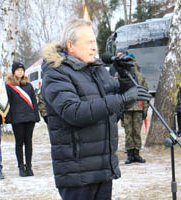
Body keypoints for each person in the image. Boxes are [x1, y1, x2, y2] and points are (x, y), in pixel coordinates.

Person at [40, 18, 151, 200]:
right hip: (77, 172)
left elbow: (112, 108)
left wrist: (125, 75)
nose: (94, 47)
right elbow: (74, 112)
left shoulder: (97, 69)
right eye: (89, 42)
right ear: (71, 45)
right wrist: (122, 99)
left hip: (102, 166)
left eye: (94, 41)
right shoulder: (56, 73)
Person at [5, 61, 40, 177]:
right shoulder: (9, 86)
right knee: (19, 143)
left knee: (28, 142)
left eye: (22, 70)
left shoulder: (28, 86)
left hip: (29, 118)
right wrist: (8, 121)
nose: (20, 72)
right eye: (18, 70)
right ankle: (21, 166)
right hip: (17, 119)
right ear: (14, 72)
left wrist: (36, 116)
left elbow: (34, 101)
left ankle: (29, 166)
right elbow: (8, 103)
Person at [121, 53, 149, 164]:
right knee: (128, 132)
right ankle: (129, 153)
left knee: (137, 132)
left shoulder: (140, 77)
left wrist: (145, 109)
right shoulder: (122, 77)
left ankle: (136, 153)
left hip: (138, 108)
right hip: (126, 108)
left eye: (132, 62)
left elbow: (145, 93)